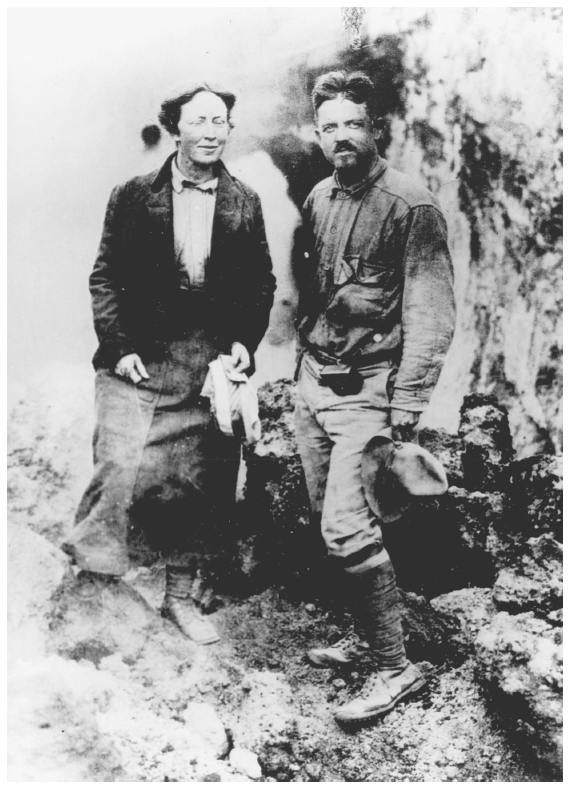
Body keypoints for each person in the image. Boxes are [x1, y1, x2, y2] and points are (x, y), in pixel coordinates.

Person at [62, 83, 275, 645]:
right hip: (136, 352)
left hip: (204, 358)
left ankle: (179, 598)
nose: (210, 131)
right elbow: (105, 277)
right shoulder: (132, 195)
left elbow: (261, 285)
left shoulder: (245, 201)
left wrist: (243, 344)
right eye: (199, 121)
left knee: (200, 477)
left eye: (221, 121)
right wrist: (119, 345)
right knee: (119, 460)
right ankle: (94, 585)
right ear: (175, 128)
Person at [294, 71, 455, 723]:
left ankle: (395, 668)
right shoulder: (317, 198)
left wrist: (405, 411)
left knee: (347, 526)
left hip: (369, 393)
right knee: (328, 523)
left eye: (352, 124)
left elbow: (432, 315)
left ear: (376, 128)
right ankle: (367, 639)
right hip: (314, 387)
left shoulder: (410, 206)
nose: (341, 138)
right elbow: (314, 291)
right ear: (318, 133)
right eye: (329, 126)